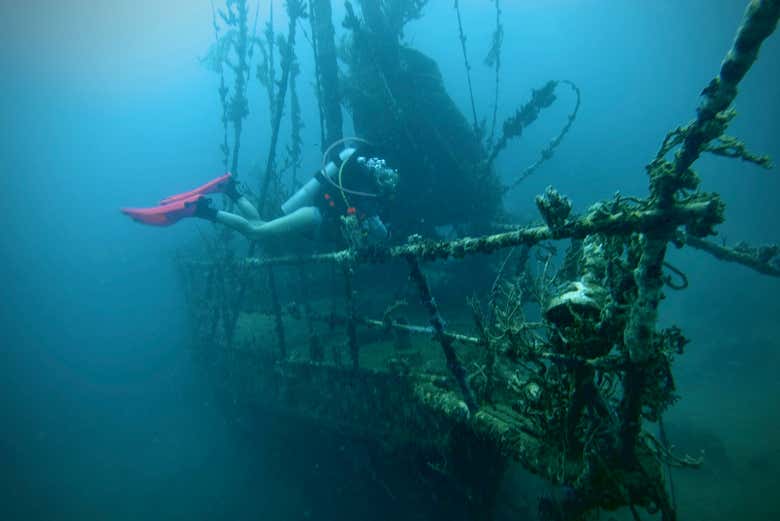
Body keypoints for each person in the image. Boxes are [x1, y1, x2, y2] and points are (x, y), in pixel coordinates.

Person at [121, 143, 399, 247]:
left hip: (313, 214)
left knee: (260, 224)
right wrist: (386, 232)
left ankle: (230, 189)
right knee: (256, 233)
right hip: (315, 217)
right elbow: (379, 234)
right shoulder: (369, 198)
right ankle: (200, 209)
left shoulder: (361, 184)